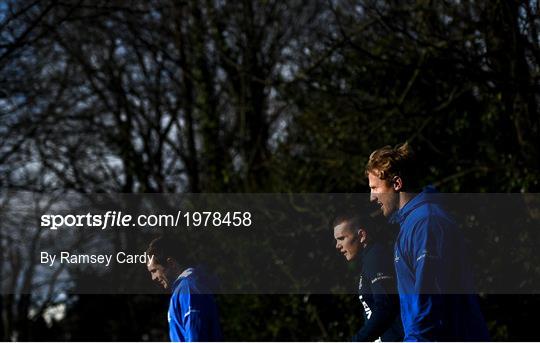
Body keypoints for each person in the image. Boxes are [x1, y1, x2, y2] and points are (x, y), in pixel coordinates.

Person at [365, 142, 490, 341]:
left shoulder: (426, 223)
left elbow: (428, 299)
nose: (371, 197)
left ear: (397, 184)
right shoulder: (412, 223)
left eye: (374, 188)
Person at [333, 212, 403, 342]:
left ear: (362, 235)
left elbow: (385, 306)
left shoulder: (376, 257)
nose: (337, 246)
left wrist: (358, 340)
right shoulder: (369, 260)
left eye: (342, 238)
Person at [146, 236, 222, 342]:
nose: (153, 278)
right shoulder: (188, 286)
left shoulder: (187, 288)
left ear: (171, 263)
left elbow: (196, 337)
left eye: (154, 271)